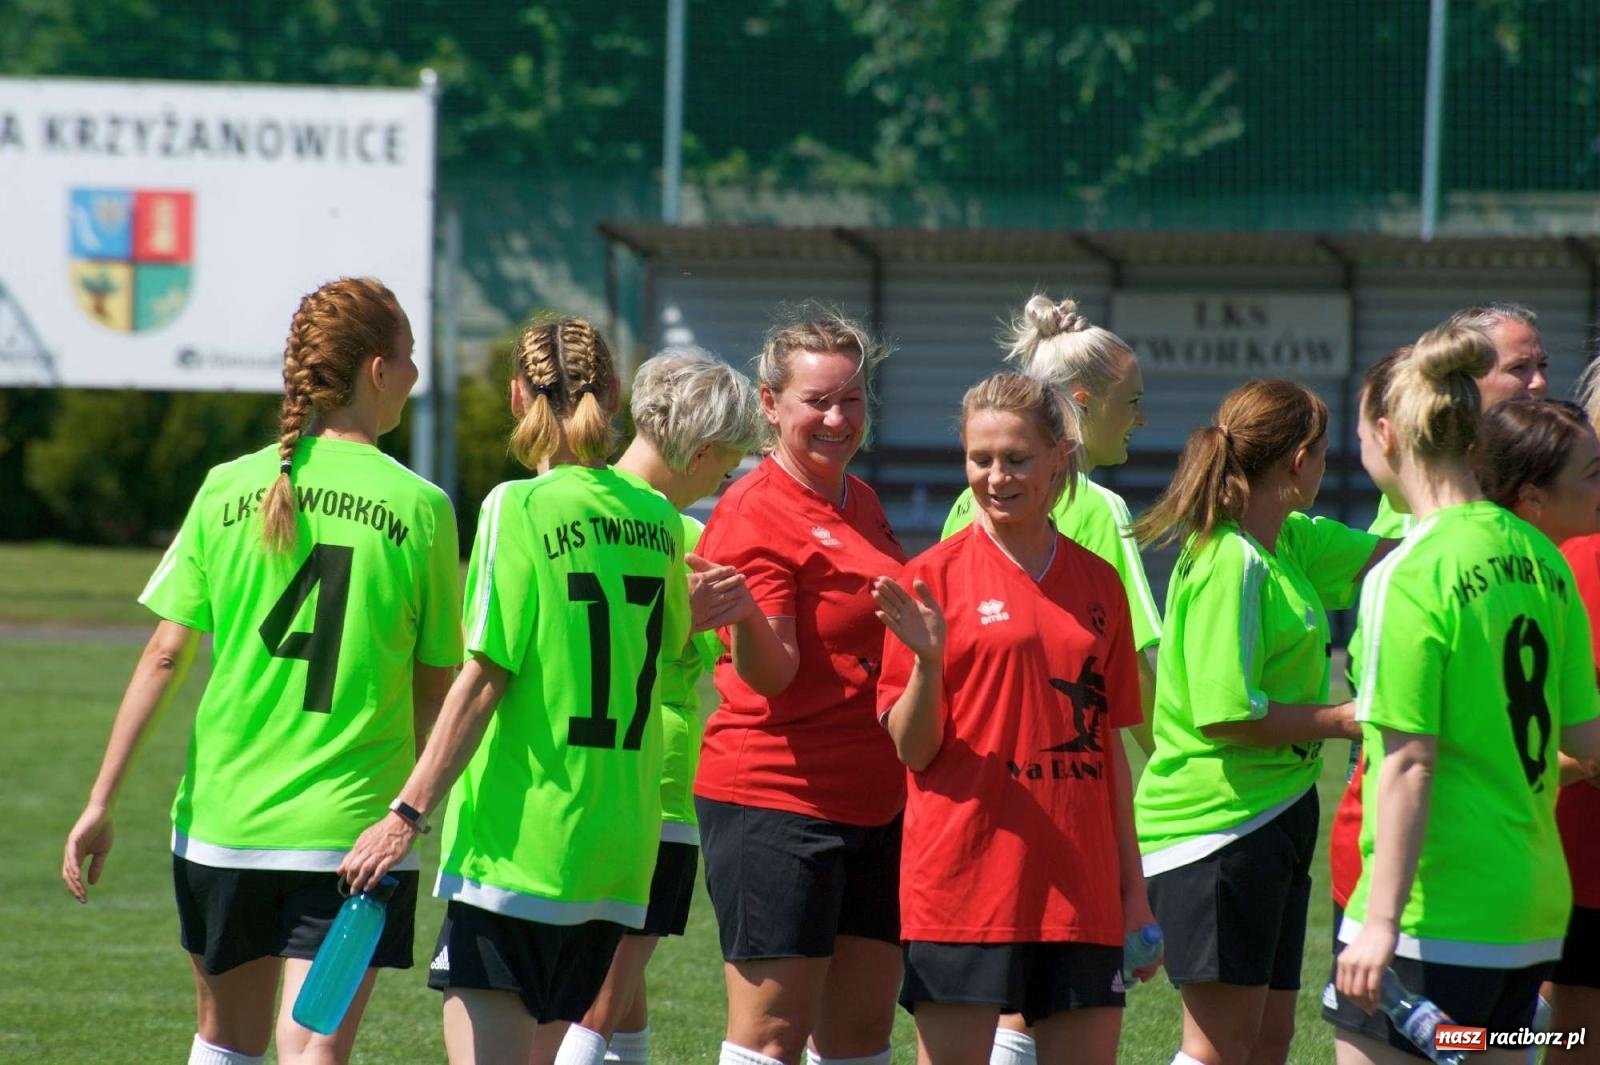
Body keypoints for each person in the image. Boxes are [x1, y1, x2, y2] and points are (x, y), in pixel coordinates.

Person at [61, 277, 461, 1065]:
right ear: (377, 370)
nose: (417, 376)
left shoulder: (226, 487)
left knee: (224, 1044)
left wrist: (100, 799)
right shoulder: (422, 508)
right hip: (352, 840)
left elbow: (166, 653)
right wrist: (414, 811)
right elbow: (436, 687)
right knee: (312, 1053)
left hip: (222, 828)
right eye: (410, 358)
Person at [336, 317, 689, 1065]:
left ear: (516, 394)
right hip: (619, 850)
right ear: (615, 393)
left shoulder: (515, 507)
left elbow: (486, 674)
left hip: (520, 848)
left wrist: (405, 813)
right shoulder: (660, 519)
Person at [1329, 324, 1600, 1065]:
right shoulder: (1542, 554)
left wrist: (1378, 921)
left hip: (1432, 915)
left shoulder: (1407, 572)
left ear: (1386, 431)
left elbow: (1410, 761)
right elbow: (1587, 737)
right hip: (1529, 910)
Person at [875, 371, 1157, 1065]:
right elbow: (913, 750)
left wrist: (1135, 894)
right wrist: (929, 665)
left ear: (1060, 455)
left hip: (1079, 892)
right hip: (965, 887)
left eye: (1016, 458)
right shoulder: (930, 579)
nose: (996, 477)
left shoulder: (1100, 582)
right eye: (980, 458)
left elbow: (1110, 757)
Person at [1131, 379, 1391, 1065]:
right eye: (1327, 454)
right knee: (1217, 1047)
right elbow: (1226, 716)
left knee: (1269, 1039)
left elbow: (1388, 555)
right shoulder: (1230, 560)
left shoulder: (1289, 539)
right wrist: (1345, 717)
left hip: (1274, 813)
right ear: (1301, 459)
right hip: (1217, 828)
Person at [693, 314, 907, 1065]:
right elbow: (772, 674)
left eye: (852, 399)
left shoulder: (863, 501)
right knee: (772, 1037)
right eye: (817, 401)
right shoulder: (755, 511)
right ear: (771, 403)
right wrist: (748, 615)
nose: (837, 418)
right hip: (779, 799)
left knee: (859, 1037)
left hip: (878, 801)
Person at [547, 348, 764, 1065]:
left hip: (567, 780)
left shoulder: (566, 504)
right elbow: (742, 672)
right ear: (702, 451)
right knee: (600, 1002)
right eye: (726, 464)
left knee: (610, 990)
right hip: (658, 781)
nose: (724, 480)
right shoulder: (689, 539)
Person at [942, 295, 1161, 759]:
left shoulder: (969, 500)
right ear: (1083, 403)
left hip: (970, 757)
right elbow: (1131, 667)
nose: (1141, 418)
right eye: (1133, 401)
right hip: (1053, 769)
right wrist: (1179, 769)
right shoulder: (1097, 506)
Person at [1476, 396, 1600, 1064]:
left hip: (1530, 866)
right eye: (1593, 471)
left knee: (1513, 1036)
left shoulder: (1543, 565)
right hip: (1464, 872)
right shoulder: (1462, 568)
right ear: (1532, 495)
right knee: (1460, 1039)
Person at [1368, 301, 1547, 537]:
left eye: (1542, 365)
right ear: (1465, 378)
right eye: (1518, 368)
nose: (1540, 382)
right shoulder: (1424, 478)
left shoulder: (1553, 465)